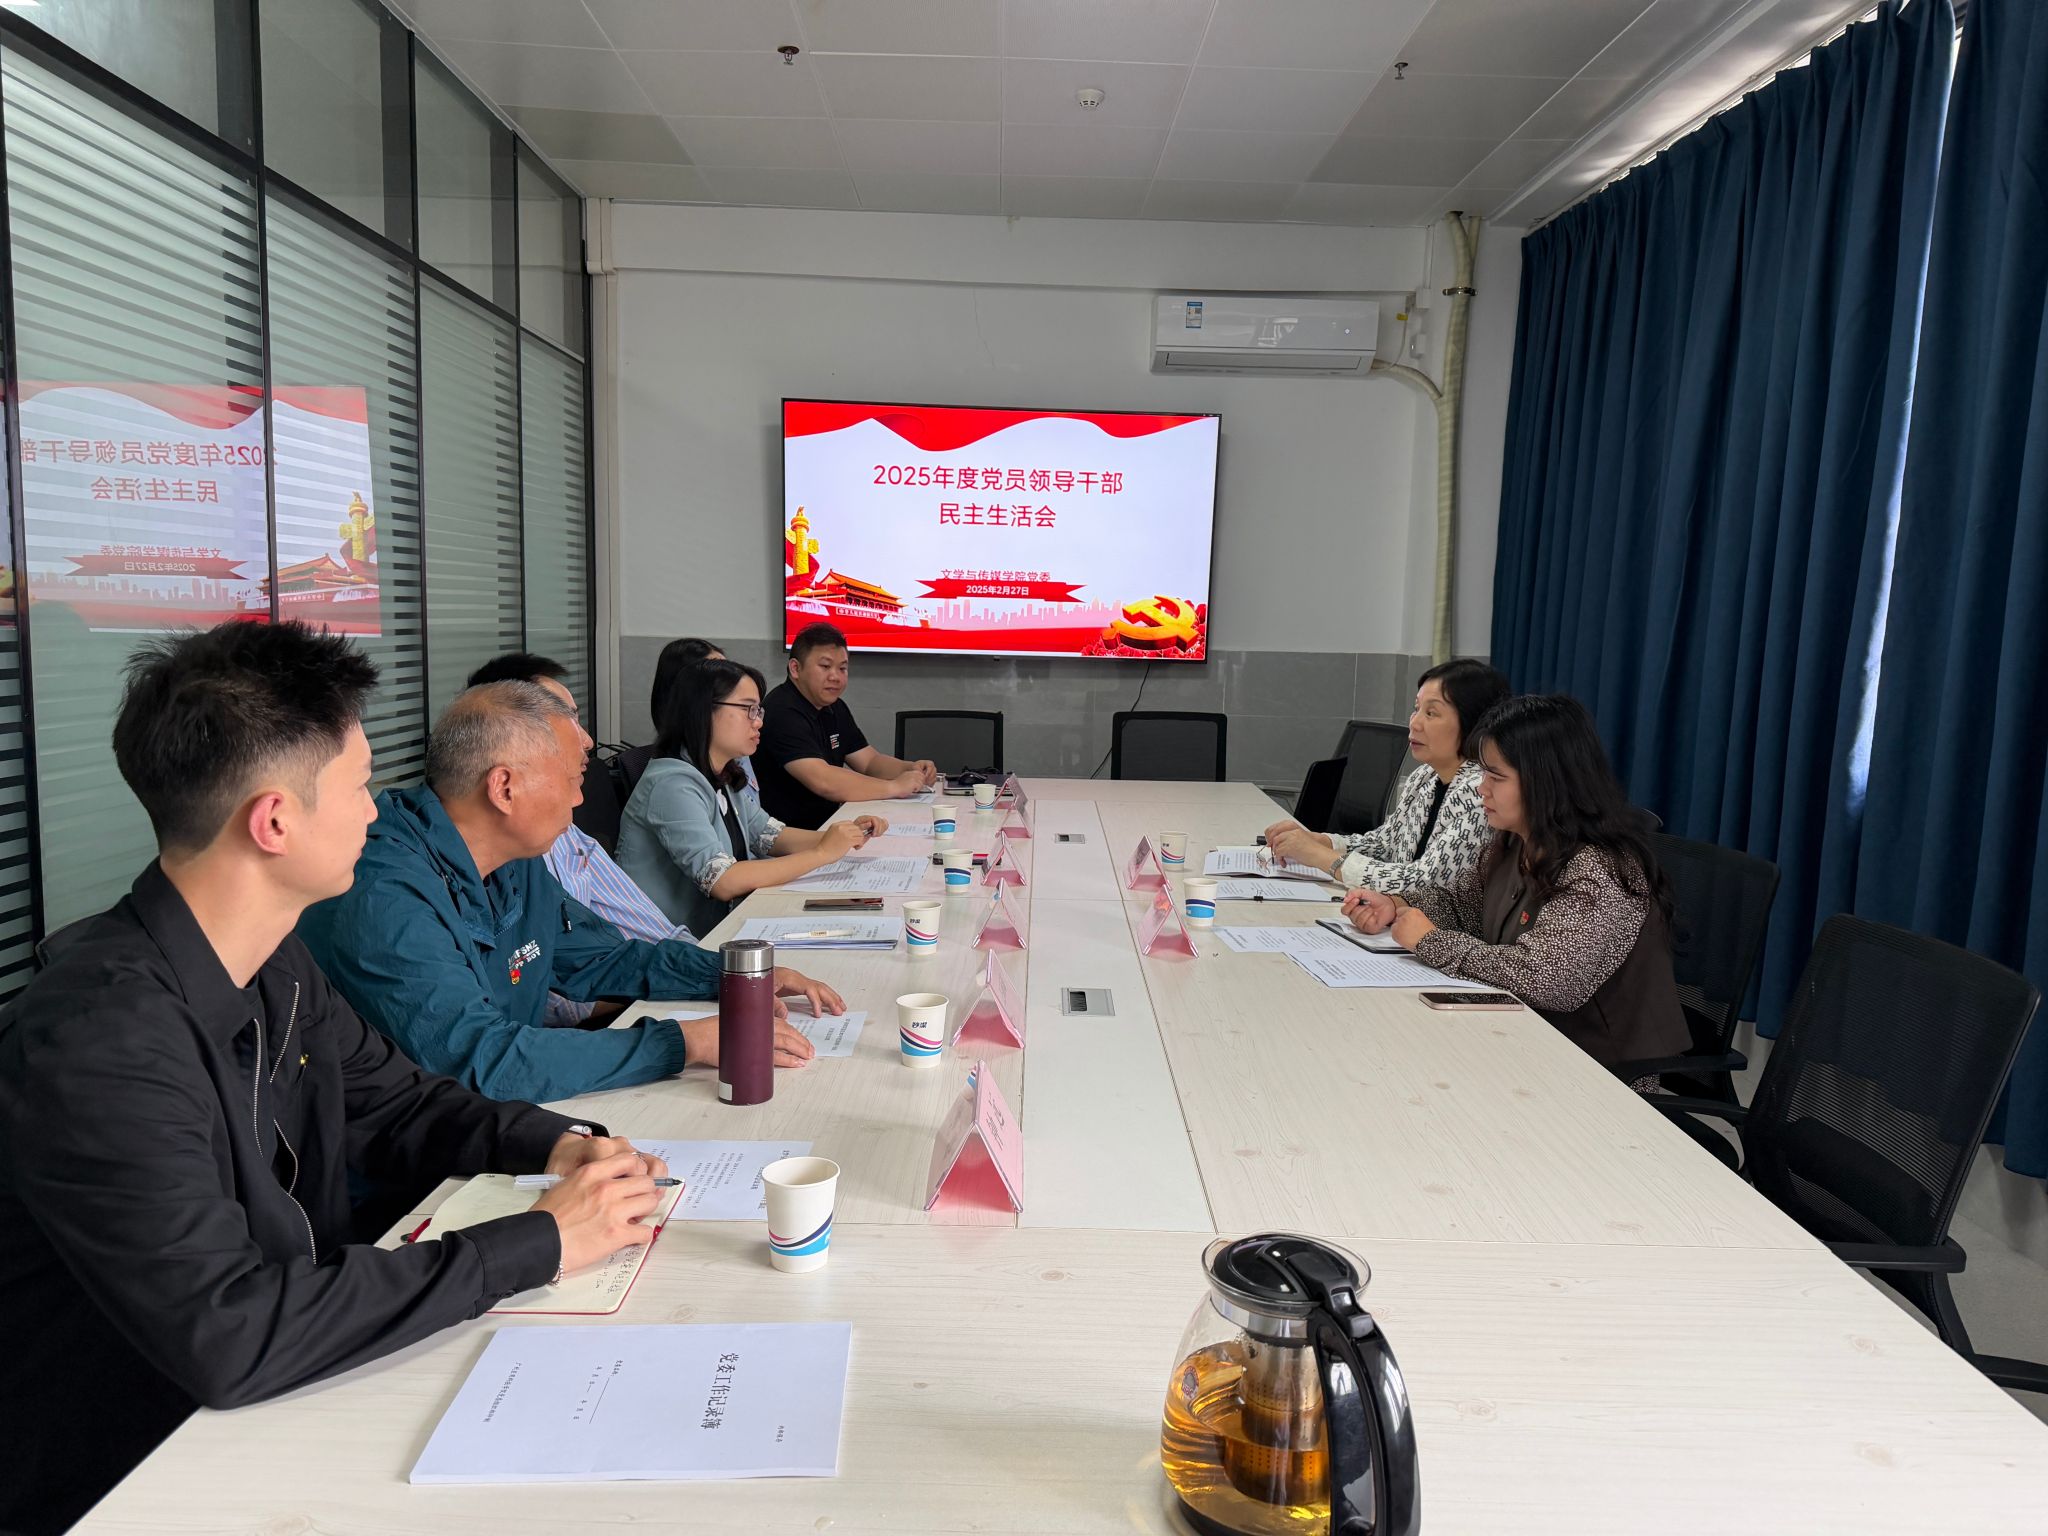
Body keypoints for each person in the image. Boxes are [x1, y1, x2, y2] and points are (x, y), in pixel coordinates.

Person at [0, 622, 671, 1536]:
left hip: (283, 1398)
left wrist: (556, 1144)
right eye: (359, 788)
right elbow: (231, 1332)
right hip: (135, 1476)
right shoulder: (99, 1042)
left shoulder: (274, 963)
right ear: (274, 821)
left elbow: (399, 1102)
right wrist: (539, 1242)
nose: (375, 813)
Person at [298, 680, 834, 1104]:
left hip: (502, 1118)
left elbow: (604, 958)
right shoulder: (383, 894)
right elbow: (479, 1059)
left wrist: (736, 978)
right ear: (504, 788)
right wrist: (685, 1042)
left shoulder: (514, 859)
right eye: (575, 778)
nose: (580, 800)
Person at [1343, 693, 1690, 1074]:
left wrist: (1430, 941)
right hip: (1521, 1040)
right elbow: (1464, 906)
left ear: (1546, 782)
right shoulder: (1516, 842)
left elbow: (1547, 980)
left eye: (1496, 777)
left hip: (1596, 1070)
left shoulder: (1599, 867)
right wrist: (1397, 904)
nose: (1482, 788)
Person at [617, 659, 892, 936]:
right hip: (669, 943)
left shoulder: (723, 772)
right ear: (703, 711)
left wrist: (844, 835)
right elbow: (722, 880)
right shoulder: (672, 784)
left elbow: (768, 835)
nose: (759, 721)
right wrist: (822, 853)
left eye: (758, 710)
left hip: (718, 928)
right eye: (748, 709)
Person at [1263, 659, 1510, 891]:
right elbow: (1384, 845)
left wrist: (1319, 856)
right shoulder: (1424, 777)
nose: (1414, 723)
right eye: (1416, 709)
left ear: (1473, 722)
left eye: (1431, 713)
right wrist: (1320, 841)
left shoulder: (1481, 790)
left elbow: (1424, 884)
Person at [755, 622, 937, 829]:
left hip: (828, 826)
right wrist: (894, 787)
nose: (835, 677)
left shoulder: (834, 707)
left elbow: (869, 762)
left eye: (842, 668)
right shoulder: (781, 711)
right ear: (795, 668)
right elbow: (823, 780)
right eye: (825, 666)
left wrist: (910, 769)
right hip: (789, 836)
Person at [638, 636, 757, 799]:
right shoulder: (676, 785)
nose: (757, 722)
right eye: (716, 673)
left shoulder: (729, 755)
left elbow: (752, 814)